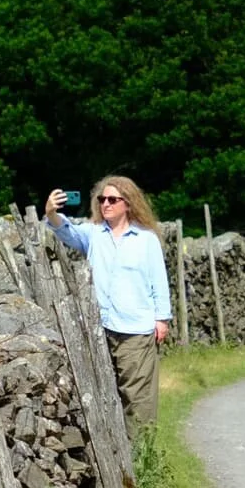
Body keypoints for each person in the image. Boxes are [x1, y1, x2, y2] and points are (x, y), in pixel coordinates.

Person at [47, 175, 171, 436]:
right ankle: (116, 456)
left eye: (113, 199)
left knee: (138, 398)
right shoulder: (93, 235)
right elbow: (65, 231)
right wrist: (51, 212)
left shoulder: (146, 239)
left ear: (128, 203)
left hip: (135, 330)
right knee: (105, 393)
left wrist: (162, 319)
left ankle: (142, 459)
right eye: (102, 199)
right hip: (100, 329)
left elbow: (159, 280)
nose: (106, 204)